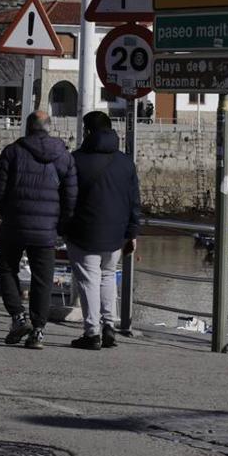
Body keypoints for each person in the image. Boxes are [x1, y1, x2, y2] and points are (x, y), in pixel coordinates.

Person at [0, 110, 78, 349]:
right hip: (46, 230)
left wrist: (6, 212)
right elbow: (70, 196)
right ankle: (38, 330)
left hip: (14, 225)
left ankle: (18, 316)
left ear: (27, 127)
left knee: (5, 268)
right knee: (43, 279)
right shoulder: (64, 157)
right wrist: (61, 225)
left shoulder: (12, 152)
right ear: (49, 127)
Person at [63, 111, 141, 350]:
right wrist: (132, 233)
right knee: (107, 276)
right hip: (116, 234)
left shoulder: (74, 160)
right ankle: (109, 325)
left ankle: (92, 332)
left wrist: (62, 226)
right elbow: (134, 201)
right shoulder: (126, 162)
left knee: (89, 280)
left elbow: (67, 198)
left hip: (84, 231)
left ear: (87, 131)